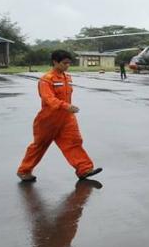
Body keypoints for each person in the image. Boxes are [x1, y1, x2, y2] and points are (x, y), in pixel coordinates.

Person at [17, 50, 103, 182]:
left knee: (74, 142)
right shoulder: (46, 80)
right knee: (39, 145)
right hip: (48, 119)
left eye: (69, 63)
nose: (67, 66)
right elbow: (48, 98)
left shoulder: (67, 77)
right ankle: (24, 171)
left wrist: (67, 108)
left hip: (67, 118)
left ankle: (84, 169)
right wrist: (66, 106)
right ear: (55, 62)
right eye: (64, 63)